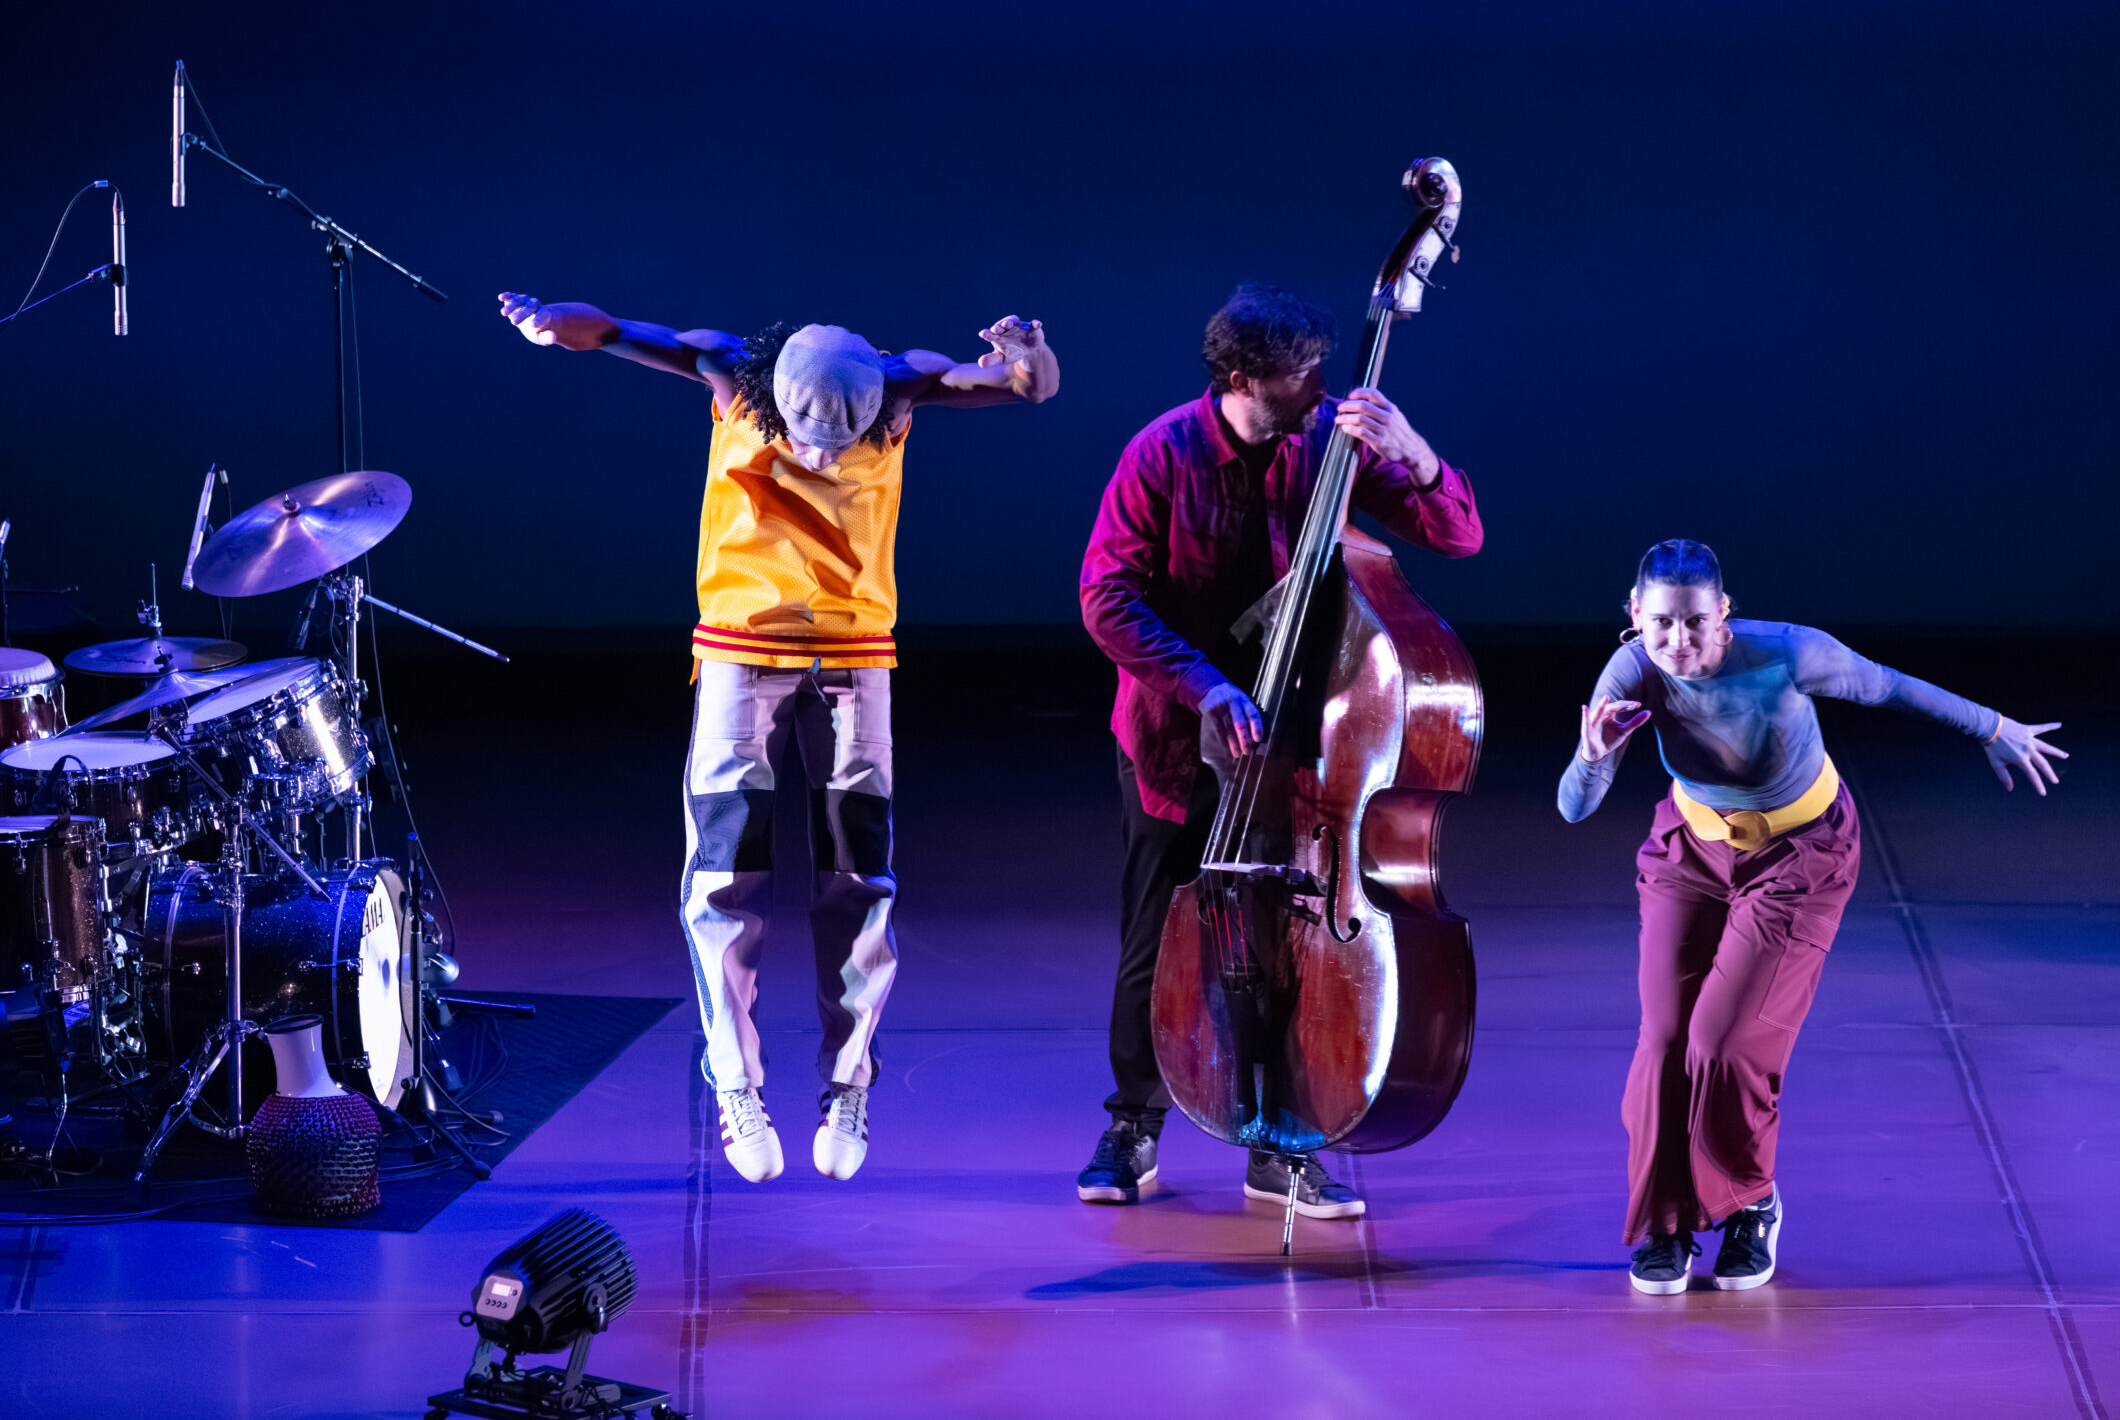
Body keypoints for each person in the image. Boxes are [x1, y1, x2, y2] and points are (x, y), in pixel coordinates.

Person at [498, 291, 1058, 1183]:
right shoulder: (730, 373)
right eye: (809, 440)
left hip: (853, 660)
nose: (824, 456)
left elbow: (1017, 386)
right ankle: (736, 1082)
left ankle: (847, 1084)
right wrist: (549, 322)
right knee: (723, 876)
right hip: (737, 658)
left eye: (844, 444)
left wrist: (1028, 356)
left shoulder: (899, 388)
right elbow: (616, 331)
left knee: (859, 878)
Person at [1559, 539, 2065, 1295]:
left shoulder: (1792, 653)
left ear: (1724, 615)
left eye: (1697, 622)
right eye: (1661, 622)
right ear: (1634, 616)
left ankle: (1748, 1200)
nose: (1680, 641)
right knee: (1663, 1042)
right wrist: (1593, 754)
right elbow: (1574, 806)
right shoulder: (1632, 671)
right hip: (1690, 852)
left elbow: (1893, 687)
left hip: (1801, 856)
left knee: (1723, 1043)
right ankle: (1666, 1221)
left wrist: (1992, 727)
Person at [1075, 283, 1485, 1214]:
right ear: (1240, 377)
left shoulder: (1327, 446)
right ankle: (1134, 1119)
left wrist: (1414, 456)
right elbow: (1107, 598)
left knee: (1289, 935)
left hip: (1301, 744)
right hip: (1180, 735)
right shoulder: (1161, 454)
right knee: (1163, 934)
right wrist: (1205, 683)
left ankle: (1284, 1137)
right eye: (1302, 375)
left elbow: (1459, 535)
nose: (1321, 390)